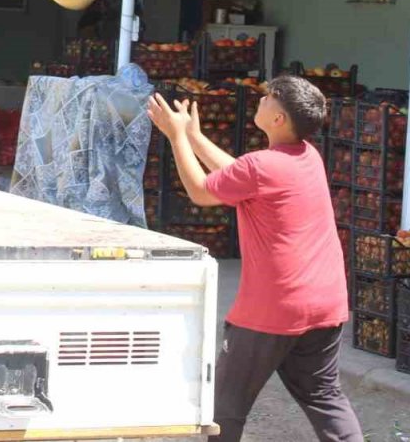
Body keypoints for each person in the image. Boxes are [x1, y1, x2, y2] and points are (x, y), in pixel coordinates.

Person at [147, 75, 362, 442]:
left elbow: (201, 191)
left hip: (274, 308)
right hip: (326, 303)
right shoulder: (307, 157)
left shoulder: (261, 166)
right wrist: (196, 138)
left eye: (268, 97)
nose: (260, 100)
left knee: (225, 409)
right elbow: (241, 176)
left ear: (279, 119)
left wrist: (177, 137)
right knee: (324, 396)